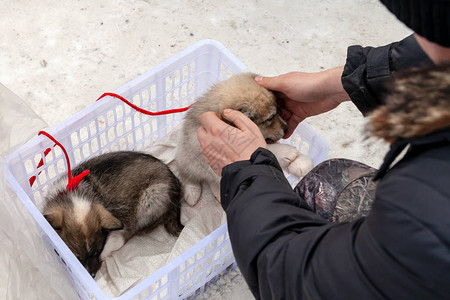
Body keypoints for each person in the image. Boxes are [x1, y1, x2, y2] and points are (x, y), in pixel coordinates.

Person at [197, 0, 450, 299]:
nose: (416, 40)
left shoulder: (432, 207)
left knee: (316, 193)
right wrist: (343, 83)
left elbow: (295, 281)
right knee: (332, 179)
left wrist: (247, 171)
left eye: (422, 33)